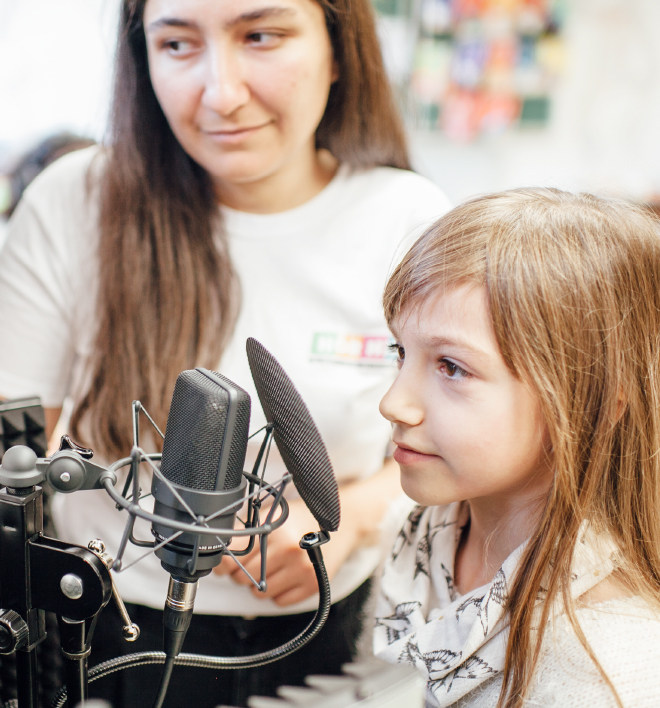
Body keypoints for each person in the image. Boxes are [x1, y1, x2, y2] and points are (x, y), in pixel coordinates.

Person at [0, 0, 450, 706]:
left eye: (261, 35)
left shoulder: (409, 220)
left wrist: (353, 514)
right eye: (177, 44)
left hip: (327, 641)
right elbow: (12, 459)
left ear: (338, 50)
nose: (221, 92)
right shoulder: (74, 204)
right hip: (105, 639)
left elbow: (454, 447)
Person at [374, 189, 660, 707]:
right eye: (401, 352)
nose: (393, 404)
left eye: (452, 367)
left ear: (595, 400)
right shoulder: (413, 534)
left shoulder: (611, 673)